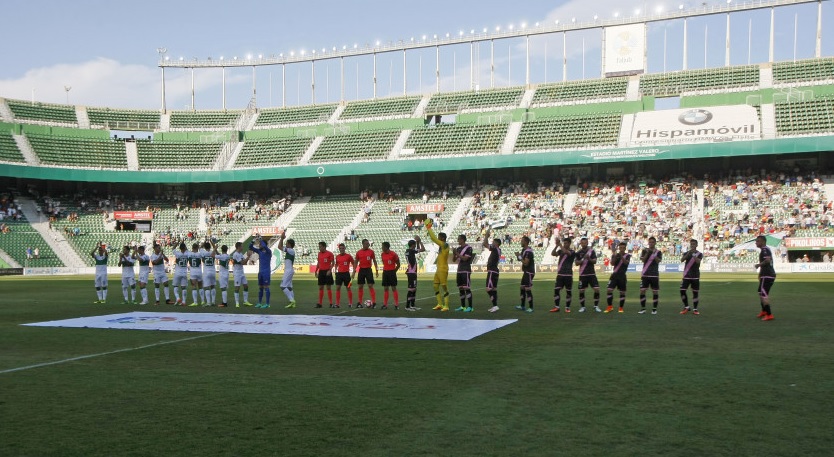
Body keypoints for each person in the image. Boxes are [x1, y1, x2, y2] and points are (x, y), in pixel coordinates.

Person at [425, 219, 450, 312]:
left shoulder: (445, 245)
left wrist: (428, 227)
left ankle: (446, 305)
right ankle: (440, 304)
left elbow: (433, 238)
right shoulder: (441, 246)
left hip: (443, 269)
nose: (438, 239)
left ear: (443, 238)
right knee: (435, 286)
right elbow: (434, 239)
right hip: (438, 269)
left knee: (444, 287)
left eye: (439, 238)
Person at [575, 237, 602, 313]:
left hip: (591, 274)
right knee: (581, 291)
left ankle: (596, 306)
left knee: (596, 289)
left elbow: (595, 261)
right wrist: (583, 259)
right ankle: (583, 307)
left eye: (585, 243)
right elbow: (576, 263)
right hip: (583, 274)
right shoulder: (578, 252)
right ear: (580, 243)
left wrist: (589, 258)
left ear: (587, 243)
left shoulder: (591, 251)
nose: (584, 244)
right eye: (582, 243)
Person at [551, 237, 576, 313]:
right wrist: (556, 245)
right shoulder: (561, 250)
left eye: (566, 243)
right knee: (556, 290)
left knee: (568, 291)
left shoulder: (572, 251)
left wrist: (560, 245)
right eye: (564, 243)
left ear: (569, 243)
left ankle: (567, 307)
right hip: (560, 274)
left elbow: (567, 253)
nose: (564, 244)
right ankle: (557, 307)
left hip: (568, 275)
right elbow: (553, 253)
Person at [604, 242, 631, 313]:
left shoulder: (627, 255)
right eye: (620, 248)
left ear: (625, 248)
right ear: (619, 248)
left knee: (622, 292)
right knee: (609, 290)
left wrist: (621, 256)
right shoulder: (615, 255)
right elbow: (612, 263)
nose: (622, 249)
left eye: (623, 248)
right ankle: (610, 306)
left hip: (622, 276)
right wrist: (615, 256)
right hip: (614, 275)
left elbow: (626, 263)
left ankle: (621, 308)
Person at [755, 235, 777, 321]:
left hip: (767, 275)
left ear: (763, 242)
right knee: (760, 292)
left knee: (764, 294)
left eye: (758, 241)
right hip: (765, 274)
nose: (756, 243)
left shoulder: (765, 250)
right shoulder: (764, 250)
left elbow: (767, 260)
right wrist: (760, 274)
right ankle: (764, 311)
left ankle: (769, 314)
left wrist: (758, 265)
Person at [679, 239, 703, 315]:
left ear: (696, 245)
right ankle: (686, 307)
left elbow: (698, 262)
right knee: (682, 291)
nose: (692, 245)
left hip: (695, 276)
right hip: (686, 275)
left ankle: (695, 309)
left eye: (694, 244)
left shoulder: (699, 254)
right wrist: (689, 253)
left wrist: (694, 255)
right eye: (691, 244)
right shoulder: (687, 253)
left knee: (695, 293)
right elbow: (682, 260)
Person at [639, 236, 662, 314]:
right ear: (648, 243)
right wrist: (648, 253)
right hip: (645, 274)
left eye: (653, 242)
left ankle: (654, 309)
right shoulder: (644, 250)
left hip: (654, 274)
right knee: (642, 291)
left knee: (655, 292)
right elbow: (642, 260)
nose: (651, 244)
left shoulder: (658, 252)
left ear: (655, 243)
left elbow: (658, 261)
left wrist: (653, 254)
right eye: (650, 242)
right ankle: (643, 309)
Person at [352, 239, 378, 308]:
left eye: (368, 243)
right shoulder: (358, 252)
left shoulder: (371, 252)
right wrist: (354, 270)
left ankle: (374, 302)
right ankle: (359, 303)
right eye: (366, 243)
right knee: (360, 286)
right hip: (361, 270)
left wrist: (377, 269)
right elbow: (356, 261)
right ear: (363, 244)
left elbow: (374, 261)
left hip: (368, 270)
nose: (368, 245)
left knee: (370, 286)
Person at [453, 234, 474, 312]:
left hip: (466, 270)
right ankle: (463, 306)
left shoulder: (469, 248)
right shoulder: (458, 248)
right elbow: (454, 260)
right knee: (460, 288)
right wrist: (454, 253)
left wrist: (457, 254)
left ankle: (470, 307)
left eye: (458, 239)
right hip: (459, 270)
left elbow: (465, 259)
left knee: (466, 288)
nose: (458, 241)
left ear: (462, 239)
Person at [482, 231, 502, 313]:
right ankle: (495, 306)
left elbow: (484, 244)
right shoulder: (498, 250)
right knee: (493, 289)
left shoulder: (495, 249)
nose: (492, 243)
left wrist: (486, 236)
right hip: (495, 271)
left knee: (488, 289)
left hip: (492, 271)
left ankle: (495, 305)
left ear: (496, 243)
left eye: (493, 242)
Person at [404, 236, 425, 311]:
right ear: (413, 245)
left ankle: (412, 305)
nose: (416, 245)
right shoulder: (411, 251)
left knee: (414, 289)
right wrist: (420, 241)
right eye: (415, 244)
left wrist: (418, 242)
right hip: (411, 272)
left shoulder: (409, 251)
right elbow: (423, 249)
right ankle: (407, 306)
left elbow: (418, 249)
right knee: (411, 289)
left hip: (412, 272)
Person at [514, 235, 535, 313]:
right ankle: (522, 306)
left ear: (526, 242)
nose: (521, 242)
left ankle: (531, 307)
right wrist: (518, 256)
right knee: (522, 288)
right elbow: (521, 259)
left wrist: (519, 256)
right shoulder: (524, 250)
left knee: (527, 289)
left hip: (529, 272)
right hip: (526, 272)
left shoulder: (529, 251)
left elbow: (526, 263)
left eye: (522, 241)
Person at [276, 233, 296, 309]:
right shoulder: (290, 251)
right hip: (289, 270)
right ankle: (293, 303)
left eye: (287, 243)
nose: (286, 244)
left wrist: (281, 238)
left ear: (290, 244)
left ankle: (292, 300)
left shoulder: (291, 250)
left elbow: (279, 247)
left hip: (288, 270)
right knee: (289, 287)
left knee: (283, 286)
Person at [378, 241, 401, 310]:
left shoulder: (393, 254)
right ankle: (385, 304)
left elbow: (398, 264)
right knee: (385, 288)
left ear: (386, 247)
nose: (382, 248)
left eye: (382, 246)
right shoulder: (382, 254)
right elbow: (384, 263)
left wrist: (394, 271)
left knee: (393, 288)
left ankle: (396, 304)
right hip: (385, 272)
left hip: (392, 272)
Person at [231, 242, 253, 307]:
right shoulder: (236, 254)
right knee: (237, 288)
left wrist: (247, 258)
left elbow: (244, 262)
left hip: (241, 272)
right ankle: (237, 303)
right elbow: (243, 262)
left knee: (246, 286)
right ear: (238, 247)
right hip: (237, 272)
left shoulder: (240, 254)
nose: (242, 247)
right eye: (242, 246)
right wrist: (248, 256)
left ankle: (245, 301)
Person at [334, 243, 354, 308]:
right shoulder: (337, 256)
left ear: (345, 248)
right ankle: (337, 304)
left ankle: (350, 303)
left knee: (348, 288)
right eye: (340, 248)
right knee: (338, 288)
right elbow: (336, 264)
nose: (341, 249)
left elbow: (354, 263)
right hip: (339, 274)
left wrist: (354, 271)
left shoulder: (348, 256)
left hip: (346, 274)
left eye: (343, 248)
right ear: (339, 249)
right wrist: (336, 270)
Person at [316, 241, 335, 308]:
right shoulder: (319, 254)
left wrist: (330, 270)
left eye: (320, 246)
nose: (319, 248)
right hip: (321, 272)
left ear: (324, 247)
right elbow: (319, 263)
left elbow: (333, 263)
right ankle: (320, 303)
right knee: (321, 287)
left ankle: (331, 303)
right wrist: (316, 271)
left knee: (328, 287)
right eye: (319, 246)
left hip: (327, 271)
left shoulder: (330, 254)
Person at [201, 241, 217, 307]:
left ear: (204, 247)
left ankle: (208, 302)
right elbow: (214, 248)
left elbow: (200, 247)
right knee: (213, 286)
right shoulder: (212, 252)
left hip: (206, 271)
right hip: (213, 271)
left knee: (206, 287)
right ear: (210, 247)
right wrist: (212, 243)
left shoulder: (203, 252)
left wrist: (204, 243)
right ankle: (213, 301)